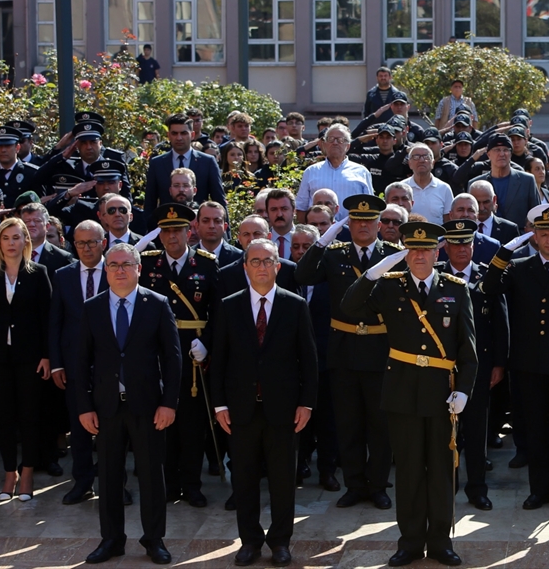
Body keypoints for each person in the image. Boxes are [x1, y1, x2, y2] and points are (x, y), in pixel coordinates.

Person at [342, 221, 476, 567]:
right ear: (405, 253)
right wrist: (375, 271)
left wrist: (463, 390)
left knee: (442, 472)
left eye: (426, 250)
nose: (419, 256)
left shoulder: (456, 289)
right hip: (402, 392)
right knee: (409, 471)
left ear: (437, 252)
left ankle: (441, 542)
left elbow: (469, 349)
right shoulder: (389, 287)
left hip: (441, 395)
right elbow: (350, 307)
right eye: (412, 250)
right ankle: (411, 542)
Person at [211, 239, 318, 568]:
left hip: (282, 408)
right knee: (243, 479)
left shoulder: (294, 304)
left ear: (278, 266)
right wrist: (219, 405)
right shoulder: (229, 305)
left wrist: (307, 403)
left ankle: (281, 542)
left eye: (267, 261)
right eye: (254, 261)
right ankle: (250, 541)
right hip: (240, 408)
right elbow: (218, 360)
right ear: (245, 267)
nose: (260, 266)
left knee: (283, 478)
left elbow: (309, 360)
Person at [71, 242, 179, 565]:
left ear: (138, 269)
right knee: (109, 475)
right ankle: (112, 539)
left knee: (150, 475)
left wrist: (169, 402)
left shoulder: (157, 304)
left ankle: (154, 539)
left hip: (147, 405)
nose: (119, 270)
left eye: (125, 265)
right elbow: (80, 361)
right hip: (105, 407)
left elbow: (172, 359)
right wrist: (84, 406)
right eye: (113, 265)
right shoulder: (92, 307)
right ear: (105, 271)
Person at [295, 195, 402, 509]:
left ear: (379, 224)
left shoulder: (392, 255)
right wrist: (322, 241)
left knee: (380, 425)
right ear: (349, 224)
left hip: (381, 349)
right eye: (357, 221)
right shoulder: (334, 255)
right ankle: (355, 485)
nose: (364, 226)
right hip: (343, 350)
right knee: (348, 422)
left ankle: (379, 485)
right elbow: (302, 275)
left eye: (370, 221)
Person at [481, 204, 549, 510]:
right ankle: (538, 489)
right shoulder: (519, 268)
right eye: (543, 233)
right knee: (535, 429)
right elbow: (488, 287)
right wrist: (505, 251)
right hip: (528, 364)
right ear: (533, 236)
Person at [139, 203, 220, 508]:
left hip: (192, 353)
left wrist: (207, 343)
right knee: (162, 421)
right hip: (157, 352)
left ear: (191, 231)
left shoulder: (207, 264)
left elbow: (218, 312)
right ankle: (169, 484)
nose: (172, 237)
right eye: (167, 231)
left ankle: (192, 484)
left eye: (178, 230)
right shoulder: (147, 265)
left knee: (191, 423)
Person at [0, 217, 51, 502]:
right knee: (3, 417)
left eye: (16, 237)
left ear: (25, 242)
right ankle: (9, 473)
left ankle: (27, 471)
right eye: (6, 238)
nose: (11, 243)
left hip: (30, 357)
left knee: (29, 415)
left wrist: (46, 355)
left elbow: (47, 319)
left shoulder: (39, 273)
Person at [437, 220, 506, 511]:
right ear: (447, 247)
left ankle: (477, 489)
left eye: (467, 243)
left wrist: (500, 363)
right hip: (442, 368)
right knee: (444, 433)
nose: (462, 249)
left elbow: (500, 324)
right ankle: (446, 487)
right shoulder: (436, 277)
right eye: (456, 243)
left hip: (478, 366)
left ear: (474, 245)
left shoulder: (486, 278)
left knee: (477, 432)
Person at [48, 220, 109, 505]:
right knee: (79, 424)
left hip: (111, 363)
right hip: (74, 365)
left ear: (103, 243)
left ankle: (114, 483)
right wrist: (58, 364)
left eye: (92, 242)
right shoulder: (63, 276)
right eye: (81, 243)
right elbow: (55, 323)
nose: (86, 248)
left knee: (112, 427)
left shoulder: (117, 270)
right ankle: (82, 482)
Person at [146, 113, 227, 225]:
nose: (179, 138)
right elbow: (150, 203)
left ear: (192, 134)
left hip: (198, 228)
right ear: (168, 135)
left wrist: (225, 233)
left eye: (184, 133)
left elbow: (219, 200)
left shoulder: (207, 162)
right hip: (167, 227)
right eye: (174, 133)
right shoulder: (157, 163)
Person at [295, 124, 373, 221]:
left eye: (340, 140)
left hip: (351, 231)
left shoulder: (362, 172)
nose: (335, 143)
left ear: (348, 146)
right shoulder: (311, 171)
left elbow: (370, 207)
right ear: (325, 144)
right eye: (331, 139)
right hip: (319, 230)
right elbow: (301, 207)